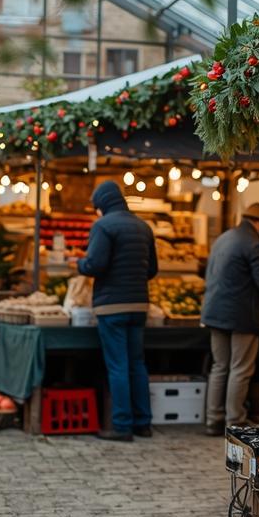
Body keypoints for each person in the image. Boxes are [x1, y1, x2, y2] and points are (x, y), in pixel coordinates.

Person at [77, 180, 158, 442]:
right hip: (139, 304)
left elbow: (95, 265)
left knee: (118, 365)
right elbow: (152, 270)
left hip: (112, 305)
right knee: (137, 363)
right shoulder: (143, 227)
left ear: (103, 204)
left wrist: (78, 263)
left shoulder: (103, 226)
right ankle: (143, 423)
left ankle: (122, 426)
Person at [200, 203, 259, 436]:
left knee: (220, 366)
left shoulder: (223, 238)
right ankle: (235, 421)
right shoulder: (256, 245)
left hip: (214, 312)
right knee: (240, 368)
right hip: (241, 315)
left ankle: (213, 419)